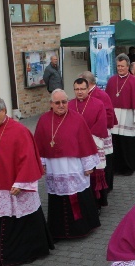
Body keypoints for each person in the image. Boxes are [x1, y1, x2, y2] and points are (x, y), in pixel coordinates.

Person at [0, 97, 53, 266]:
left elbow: (28, 158)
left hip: (16, 185)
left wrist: (21, 182)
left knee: (23, 219)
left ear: (3, 110)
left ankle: (27, 252)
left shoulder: (19, 130)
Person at [34, 89, 101, 239]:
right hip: (54, 167)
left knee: (77, 196)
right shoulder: (44, 120)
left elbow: (85, 143)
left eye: (64, 102)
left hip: (73, 165)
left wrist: (88, 165)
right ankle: (58, 231)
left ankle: (80, 229)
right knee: (57, 198)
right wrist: (41, 163)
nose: (61, 105)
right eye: (57, 102)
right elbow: (39, 144)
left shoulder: (77, 119)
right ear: (51, 104)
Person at [69, 78, 110, 207]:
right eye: (77, 89)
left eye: (82, 89)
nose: (79, 92)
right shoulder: (69, 105)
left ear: (88, 89)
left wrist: (86, 138)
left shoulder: (98, 104)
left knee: (93, 174)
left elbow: (102, 123)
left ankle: (97, 203)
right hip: (75, 146)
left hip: (93, 144)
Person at [105, 54, 135, 176]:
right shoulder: (112, 80)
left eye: (122, 66)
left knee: (128, 143)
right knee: (116, 142)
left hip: (129, 115)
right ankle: (116, 167)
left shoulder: (134, 81)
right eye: (118, 66)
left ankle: (129, 167)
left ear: (128, 66)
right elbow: (107, 100)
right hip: (115, 115)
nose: (120, 68)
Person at [80, 71, 117, 191]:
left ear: (88, 83)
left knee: (104, 161)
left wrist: (93, 130)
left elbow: (108, 115)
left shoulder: (100, 95)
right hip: (88, 135)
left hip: (100, 135)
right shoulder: (85, 95)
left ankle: (106, 186)